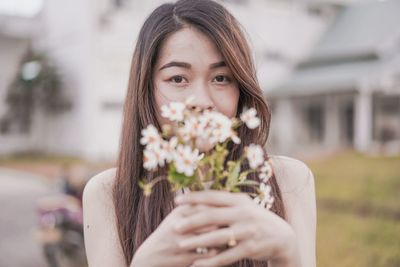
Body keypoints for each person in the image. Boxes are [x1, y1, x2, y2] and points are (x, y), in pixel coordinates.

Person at [82, 0, 316, 266]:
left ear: (241, 89)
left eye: (221, 78)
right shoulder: (108, 193)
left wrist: (288, 252)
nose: (202, 101)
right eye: (178, 79)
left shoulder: (290, 181)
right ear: (146, 91)